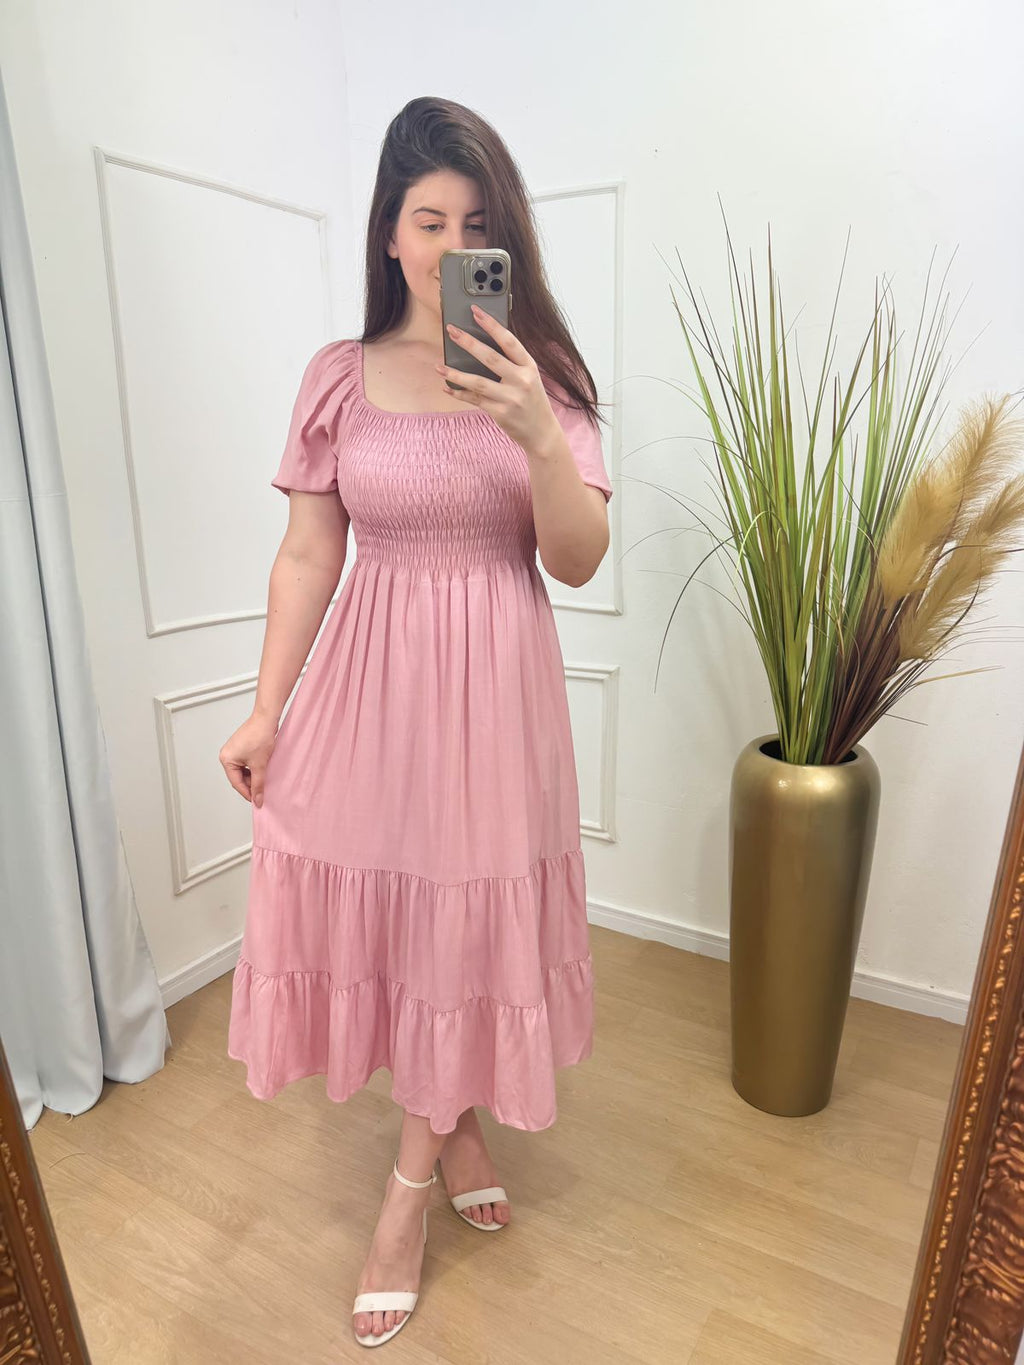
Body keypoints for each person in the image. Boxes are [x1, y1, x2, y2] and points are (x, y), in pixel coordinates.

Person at [218, 95, 613, 1349]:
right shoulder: (337, 377)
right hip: (369, 684)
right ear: (389, 232)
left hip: (494, 689)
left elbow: (578, 558)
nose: (453, 247)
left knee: (465, 915)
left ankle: (404, 1194)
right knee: (389, 915)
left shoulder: (540, 378)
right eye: (430, 221)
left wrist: (537, 435)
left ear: (507, 241)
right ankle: (458, 1123)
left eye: (478, 225)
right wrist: (267, 707)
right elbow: (306, 553)